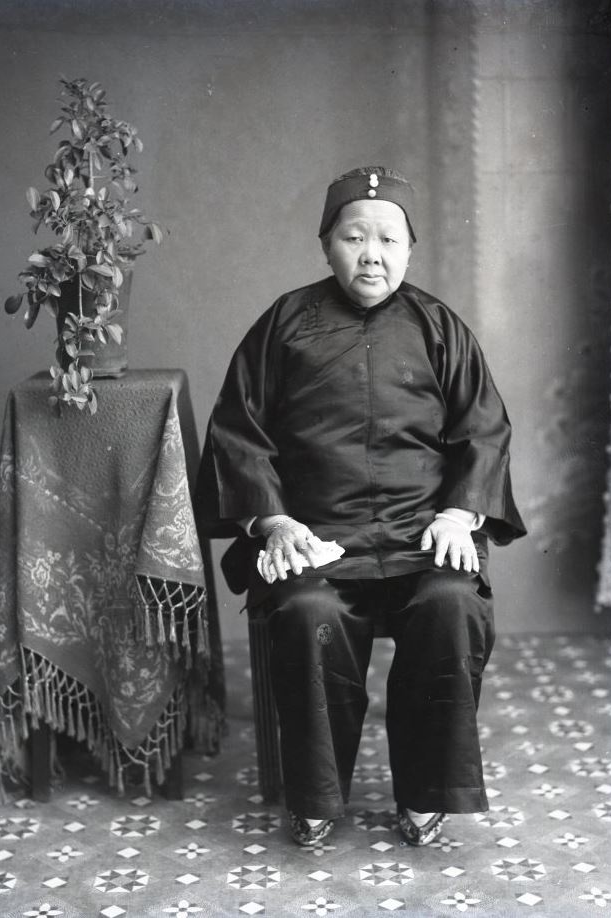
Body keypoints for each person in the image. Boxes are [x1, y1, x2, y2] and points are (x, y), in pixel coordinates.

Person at [194, 165, 526, 847]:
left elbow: (485, 432)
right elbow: (236, 435)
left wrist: (459, 515)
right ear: (326, 245)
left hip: (419, 538)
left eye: (388, 240)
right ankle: (315, 796)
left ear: (410, 251)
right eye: (354, 238)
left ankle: (426, 790)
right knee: (308, 612)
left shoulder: (439, 327)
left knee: (452, 603)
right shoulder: (284, 324)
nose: (372, 255)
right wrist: (274, 523)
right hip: (315, 540)